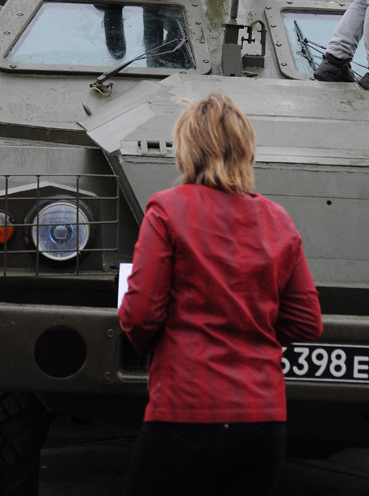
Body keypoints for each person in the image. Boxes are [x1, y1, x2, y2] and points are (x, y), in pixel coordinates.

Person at [119, 91, 322, 496]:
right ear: (246, 149)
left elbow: (140, 315)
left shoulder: (167, 210)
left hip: (185, 409)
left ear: (186, 149)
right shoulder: (277, 219)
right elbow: (306, 321)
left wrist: (151, 344)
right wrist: (252, 338)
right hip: (263, 419)